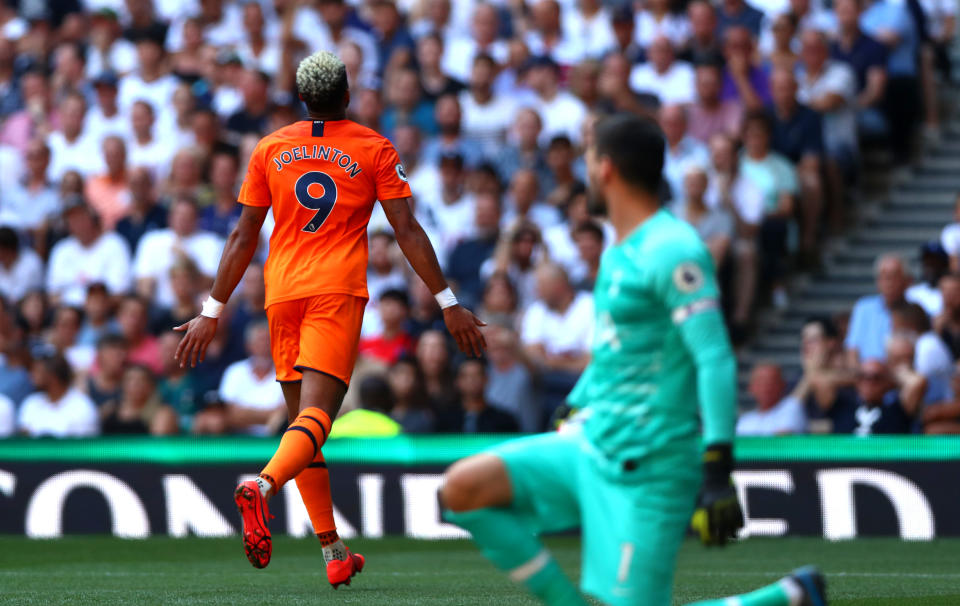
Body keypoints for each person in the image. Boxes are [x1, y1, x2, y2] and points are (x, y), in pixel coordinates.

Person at [440, 113, 824, 606]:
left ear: (606, 168)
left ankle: (781, 599)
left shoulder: (673, 248)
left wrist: (718, 461)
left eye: (588, 157)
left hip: (650, 463)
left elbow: (714, 356)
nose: (584, 168)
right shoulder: (621, 250)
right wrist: (576, 402)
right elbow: (613, 349)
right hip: (590, 442)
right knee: (464, 489)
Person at [174, 51, 485, 585]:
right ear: (347, 94)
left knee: (305, 426)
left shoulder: (269, 148)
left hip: (281, 295)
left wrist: (211, 310)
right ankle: (262, 486)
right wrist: (448, 301)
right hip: (334, 293)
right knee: (319, 419)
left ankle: (332, 550)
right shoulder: (374, 148)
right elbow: (407, 230)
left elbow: (242, 235)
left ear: (301, 98)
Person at [845, 253, 909, 365]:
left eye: (893, 276)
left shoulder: (914, 311)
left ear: (906, 281)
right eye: (883, 276)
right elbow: (852, 350)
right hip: (867, 375)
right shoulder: (863, 307)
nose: (888, 282)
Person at [18, 354, 99, 438]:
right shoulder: (30, 402)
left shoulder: (82, 406)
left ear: (53, 376)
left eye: (37, 371)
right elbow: (24, 442)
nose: (31, 375)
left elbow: (85, 447)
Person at [436, 358, 519, 433]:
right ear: (457, 382)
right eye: (466, 376)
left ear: (486, 380)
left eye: (477, 375)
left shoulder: (504, 421)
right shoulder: (445, 421)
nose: (472, 381)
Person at [737, 363, 807, 436]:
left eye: (771, 382)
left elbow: (781, 441)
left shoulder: (791, 407)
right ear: (751, 387)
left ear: (783, 385)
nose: (766, 387)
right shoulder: (744, 420)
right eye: (761, 382)